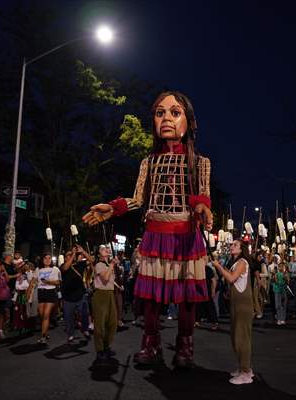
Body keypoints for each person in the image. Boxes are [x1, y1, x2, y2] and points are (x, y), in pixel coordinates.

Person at [83, 91, 213, 367]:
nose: (166, 118)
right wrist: (113, 207)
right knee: (151, 298)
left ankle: (185, 347)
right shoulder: (148, 162)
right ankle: (151, 344)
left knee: (187, 299)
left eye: (175, 112)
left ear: (188, 121)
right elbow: (138, 200)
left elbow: (203, 194)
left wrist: (202, 208)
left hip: (185, 236)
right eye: (159, 112)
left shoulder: (201, 163)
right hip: (155, 235)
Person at [213, 240, 254, 385]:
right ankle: (243, 367)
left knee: (242, 337)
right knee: (236, 336)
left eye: (235, 245)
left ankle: (246, 372)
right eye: (232, 245)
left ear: (242, 249)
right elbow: (233, 281)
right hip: (237, 304)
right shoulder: (236, 263)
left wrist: (218, 267)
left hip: (243, 305)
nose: (232, 246)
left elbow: (231, 277)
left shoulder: (242, 262)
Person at [91, 245, 119, 363]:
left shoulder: (108, 265)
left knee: (113, 323)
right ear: (98, 254)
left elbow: (111, 281)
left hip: (110, 294)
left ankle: (106, 346)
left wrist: (118, 285)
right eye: (102, 249)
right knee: (100, 325)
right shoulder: (99, 265)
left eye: (107, 248)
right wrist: (112, 265)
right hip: (100, 295)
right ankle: (100, 350)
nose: (107, 250)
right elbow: (105, 279)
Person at [61, 245, 92, 343]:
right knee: (68, 318)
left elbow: (91, 260)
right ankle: (70, 334)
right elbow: (66, 268)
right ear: (65, 258)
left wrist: (83, 251)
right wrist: (73, 253)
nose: (70, 256)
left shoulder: (80, 264)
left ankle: (85, 329)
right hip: (68, 297)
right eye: (68, 255)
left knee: (85, 314)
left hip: (80, 295)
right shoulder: (62, 266)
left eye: (71, 255)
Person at [36, 253, 61, 344]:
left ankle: (43, 337)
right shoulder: (38, 269)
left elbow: (58, 282)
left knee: (46, 315)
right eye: (45, 258)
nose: (47, 260)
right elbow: (33, 281)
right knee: (42, 315)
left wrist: (48, 282)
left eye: (49, 258)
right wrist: (29, 293)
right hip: (40, 292)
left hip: (50, 292)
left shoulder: (55, 269)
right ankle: (45, 333)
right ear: (42, 260)